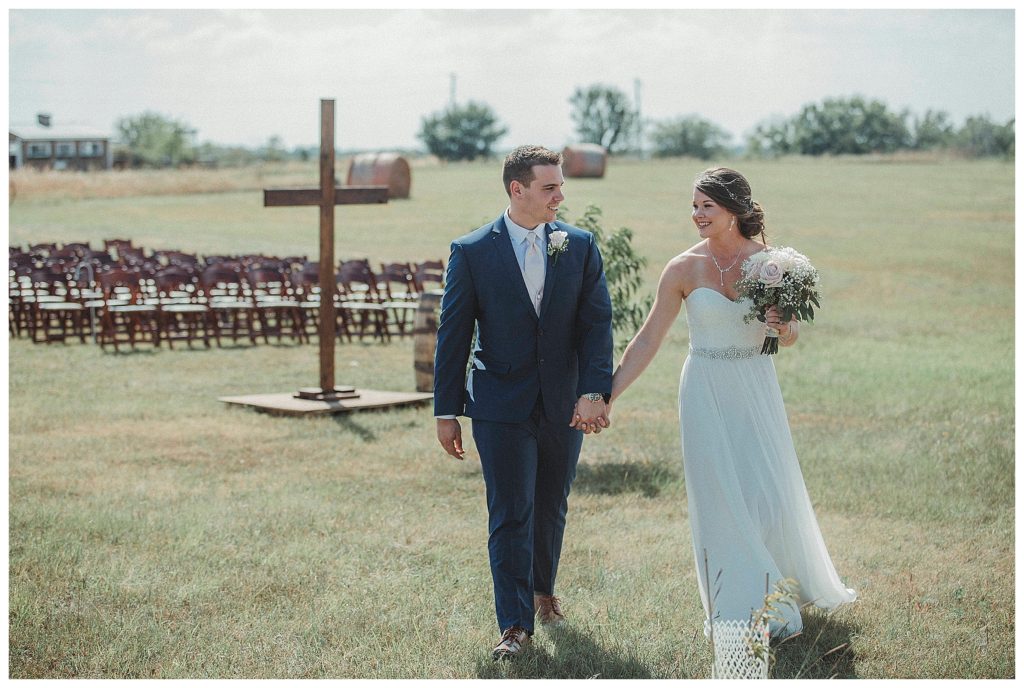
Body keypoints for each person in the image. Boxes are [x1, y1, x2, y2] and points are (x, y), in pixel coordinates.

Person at [608, 167, 856, 637]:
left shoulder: (775, 263)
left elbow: (792, 335)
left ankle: (780, 583)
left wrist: (784, 328)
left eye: (707, 206)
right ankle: (739, 602)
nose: (697, 214)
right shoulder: (681, 268)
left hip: (754, 383)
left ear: (734, 210)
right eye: (695, 205)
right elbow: (648, 339)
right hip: (703, 386)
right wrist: (609, 394)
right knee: (717, 495)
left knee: (765, 493)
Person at [433, 145, 614, 660]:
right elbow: (454, 334)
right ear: (518, 189)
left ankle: (542, 593)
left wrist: (593, 391)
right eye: (550, 187)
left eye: (560, 186)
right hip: (499, 404)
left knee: (552, 503)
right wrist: (446, 410)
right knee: (511, 512)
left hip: (564, 402)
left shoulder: (578, 245)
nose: (561, 195)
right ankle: (514, 626)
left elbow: (596, 324)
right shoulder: (471, 251)